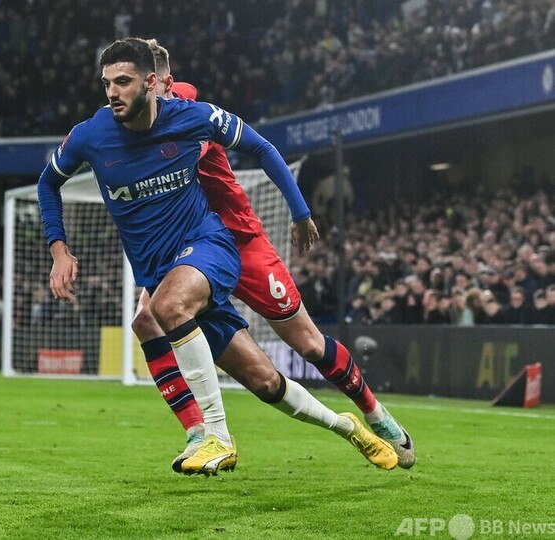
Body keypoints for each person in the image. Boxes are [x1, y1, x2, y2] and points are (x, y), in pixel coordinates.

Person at [38, 38, 397, 475]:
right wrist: (59, 248)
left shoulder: (191, 116)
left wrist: (301, 212)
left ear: (152, 83)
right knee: (265, 382)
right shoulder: (90, 135)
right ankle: (347, 427)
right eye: (106, 83)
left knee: (170, 308)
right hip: (161, 269)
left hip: (214, 244)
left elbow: (262, 147)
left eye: (123, 82)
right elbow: (48, 182)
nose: (112, 92)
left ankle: (214, 436)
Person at [132, 39, 415, 471]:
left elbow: (251, 144)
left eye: (144, 83)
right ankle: (198, 433)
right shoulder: (131, 123)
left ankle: (376, 413)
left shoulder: (188, 111)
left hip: (240, 241)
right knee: (148, 319)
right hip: (187, 249)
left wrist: (300, 211)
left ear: (161, 83)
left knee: (309, 344)